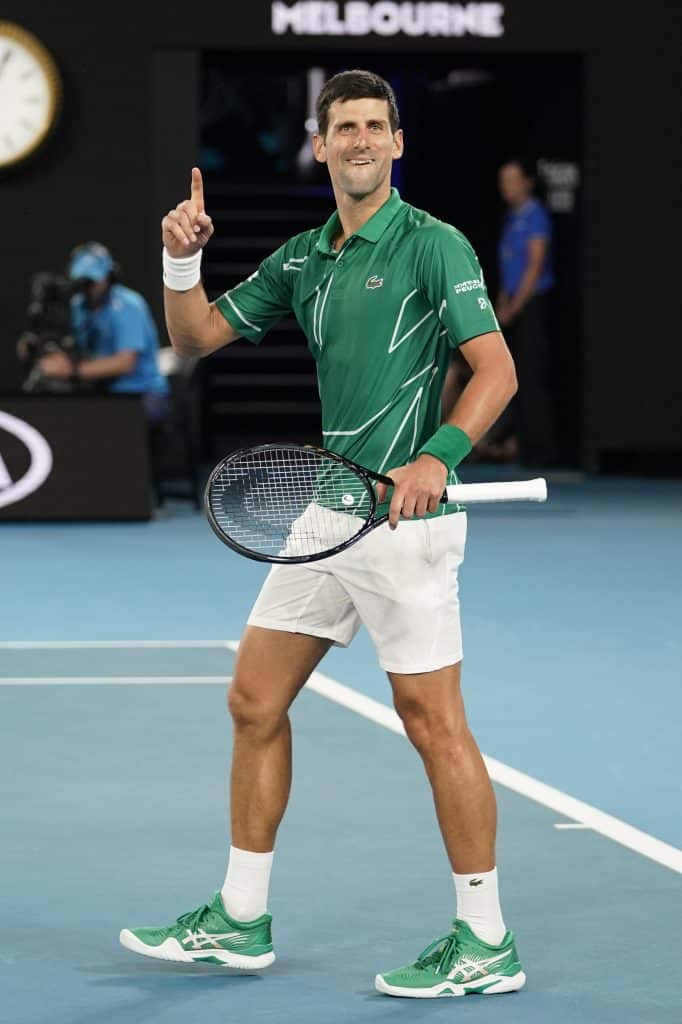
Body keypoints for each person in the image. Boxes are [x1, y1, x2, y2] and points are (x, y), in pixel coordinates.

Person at [120, 70, 526, 999]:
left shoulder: (434, 244)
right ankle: (239, 918)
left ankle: (486, 939)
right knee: (254, 701)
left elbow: (494, 369)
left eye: (375, 126)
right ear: (320, 142)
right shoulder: (305, 259)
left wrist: (440, 457)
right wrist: (182, 261)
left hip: (406, 527)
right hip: (331, 508)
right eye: (343, 126)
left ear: (397, 144)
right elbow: (193, 338)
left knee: (435, 726)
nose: (359, 141)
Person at [32, 242, 170, 423]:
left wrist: (72, 370)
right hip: (102, 393)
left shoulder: (128, 304)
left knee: (98, 420)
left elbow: (125, 363)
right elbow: (79, 349)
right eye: (84, 281)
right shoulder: (78, 305)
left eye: (94, 280)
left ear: (109, 277)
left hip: (141, 393)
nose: (90, 288)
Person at [493, 158, 558, 467]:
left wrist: (515, 306)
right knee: (513, 378)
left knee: (532, 378)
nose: (507, 187)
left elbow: (533, 266)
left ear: (527, 183)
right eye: (503, 180)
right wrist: (501, 305)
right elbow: (509, 268)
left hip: (532, 306)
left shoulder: (535, 216)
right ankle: (519, 445)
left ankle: (541, 450)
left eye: (512, 180)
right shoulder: (511, 218)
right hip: (513, 308)